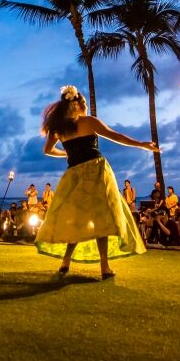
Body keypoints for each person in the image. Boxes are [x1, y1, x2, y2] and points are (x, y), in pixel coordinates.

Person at [35, 85, 156, 280]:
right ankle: (104, 267)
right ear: (79, 104)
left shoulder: (60, 128)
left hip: (74, 174)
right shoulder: (89, 121)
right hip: (96, 171)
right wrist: (141, 144)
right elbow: (116, 136)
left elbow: (48, 150)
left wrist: (66, 153)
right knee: (103, 219)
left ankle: (66, 261)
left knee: (76, 219)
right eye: (84, 104)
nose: (86, 107)